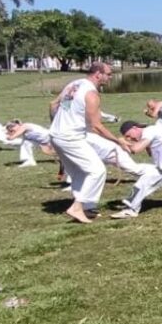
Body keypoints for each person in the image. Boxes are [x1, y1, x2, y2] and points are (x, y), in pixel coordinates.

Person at [48, 62, 122, 223]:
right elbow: (96, 126)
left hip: (56, 135)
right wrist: (118, 141)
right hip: (70, 137)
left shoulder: (74, 85)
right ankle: (77, 207)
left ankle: (86, 208)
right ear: (98, 74)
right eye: (108, 74)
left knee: (79, 172)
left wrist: (56, 125)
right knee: (97, 171)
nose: (111, 77)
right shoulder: (91, 94)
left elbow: (55, 105)